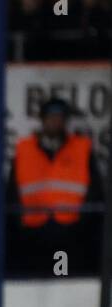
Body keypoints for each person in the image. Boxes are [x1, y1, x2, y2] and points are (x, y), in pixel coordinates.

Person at [9, 97, 102, 276]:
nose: (55, 122)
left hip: (69, 233)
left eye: (60, 117)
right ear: (42, 120)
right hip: (33, 233)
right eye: (51, 117)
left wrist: (82, 225)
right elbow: (12, 192)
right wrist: (18, 227)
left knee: (62, 279)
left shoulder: (81, 148)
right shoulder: (24, 149)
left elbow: (95, 191)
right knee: (34, 284)